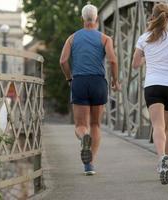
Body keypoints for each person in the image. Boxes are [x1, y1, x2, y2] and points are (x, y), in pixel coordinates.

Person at [132, 3, 168, 184]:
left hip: (153, 86)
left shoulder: (144, 38)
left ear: (153, 16)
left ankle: (161, 159)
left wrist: (146, 59)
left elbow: (135, 64)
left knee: (158, 126)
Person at [59, 3, 121, 176]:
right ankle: (90, 165)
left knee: (81, 125)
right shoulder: (105, 38)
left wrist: (69, 77)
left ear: (82, 19)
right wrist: (116, 81)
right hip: (98, 83)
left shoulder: (72, 38)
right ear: (97, 19)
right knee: (95, 124)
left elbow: (63, 61)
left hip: (79, 81)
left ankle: (83, 138)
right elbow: (113, 61)